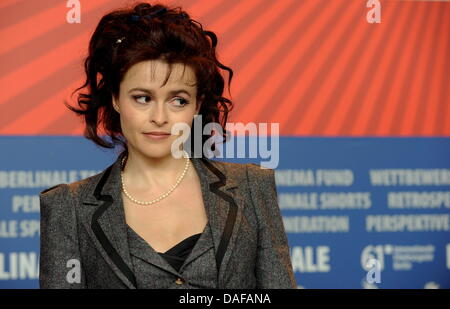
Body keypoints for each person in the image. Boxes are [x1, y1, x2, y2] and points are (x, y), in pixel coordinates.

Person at [39, 2, 296, 289]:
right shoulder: (68, 207)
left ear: (197, 105)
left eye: (178, 100)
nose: (160, 118)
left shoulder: (252, 188)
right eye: (143, 98)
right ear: (115, 98)